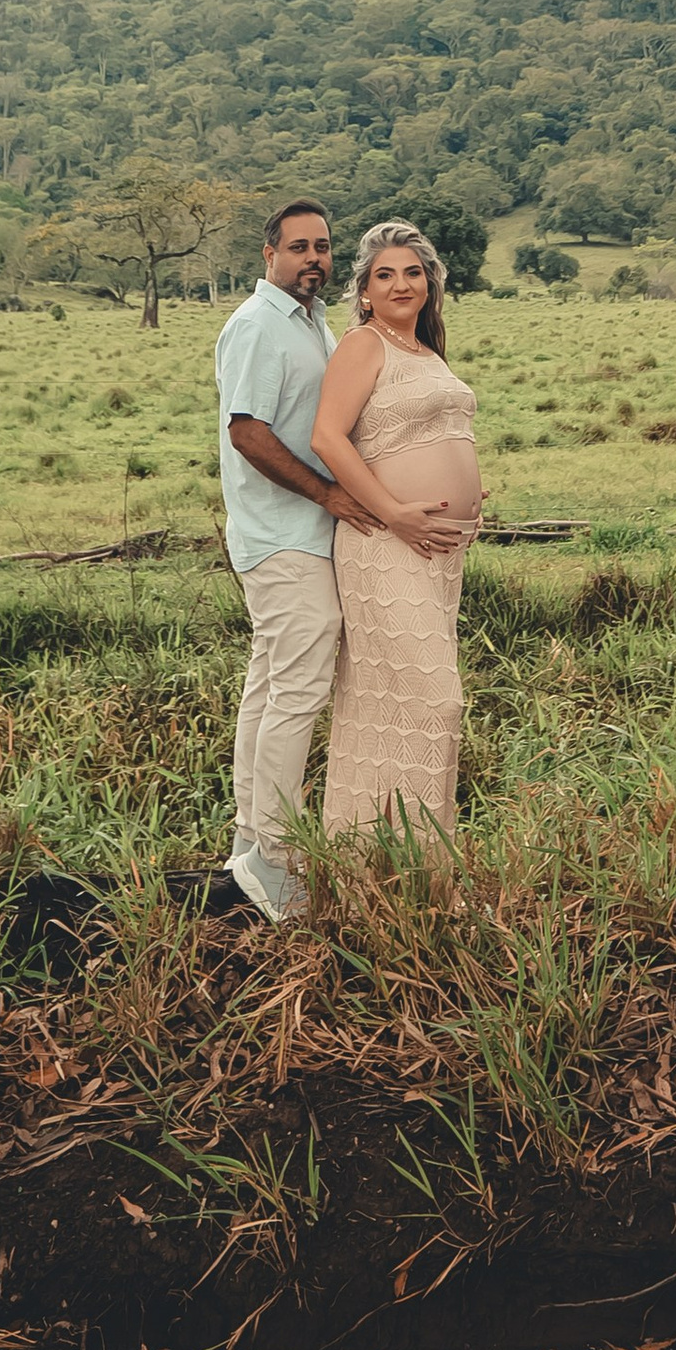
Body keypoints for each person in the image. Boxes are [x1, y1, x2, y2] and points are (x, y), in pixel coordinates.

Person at [214, 199, 372, 923]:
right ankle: (276, 860)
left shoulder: (310, 322)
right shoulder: (256, 325)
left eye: (325, 246)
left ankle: (250, 839)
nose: (314, 257)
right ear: (269, 252)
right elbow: (248, 431)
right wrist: (327, 494)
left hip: (299, 531)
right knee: (300, 688)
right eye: (300, 246)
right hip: (281, 533)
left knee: (271, 682)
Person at [313, 218, 482, 845]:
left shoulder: (426, 352)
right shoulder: (363, 344)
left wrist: (466, 489)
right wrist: (394, 510)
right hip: (385, 546)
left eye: (413, 272)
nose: (401, 283)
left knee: (396, 708)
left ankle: (408, 878)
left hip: (438, 553)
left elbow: (423, 436)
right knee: (436, 703)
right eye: (385, 275)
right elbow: (327, 437)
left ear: (430, 284)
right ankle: (396, 861)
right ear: (364, 292)